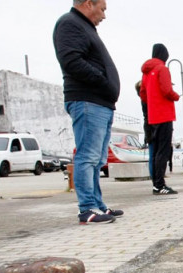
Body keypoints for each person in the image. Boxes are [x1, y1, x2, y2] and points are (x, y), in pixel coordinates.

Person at [53, 0, 123, 224]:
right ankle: (87, 208)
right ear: (88, 3)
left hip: (100, 102)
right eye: (102, 9)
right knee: (88, 156)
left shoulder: (84, 27)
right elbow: (71, 60)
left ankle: (98, 205)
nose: (104, 16)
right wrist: (102, 81)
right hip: (87, 100)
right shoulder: (70, 23)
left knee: (97, 158)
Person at [140, 43, 180, 195]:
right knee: (163, 150)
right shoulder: (162, 69)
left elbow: (143, 93)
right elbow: (167, 90)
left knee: (156, 151)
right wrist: (175, 96)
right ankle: (160, 185)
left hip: (152, 116)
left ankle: (156, 184)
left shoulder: (146, 72)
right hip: (164, 114)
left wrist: (151, 104)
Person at [135, 80, 154, 179]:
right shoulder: (146, 99)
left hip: (148, 127)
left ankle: (154, 177)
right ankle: (155, 178)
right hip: (151, 126)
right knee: (154, 155)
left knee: (153, 154)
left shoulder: (143, 99)